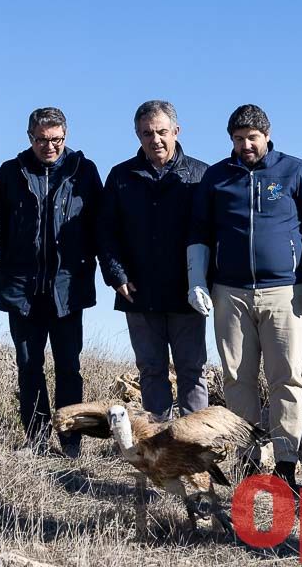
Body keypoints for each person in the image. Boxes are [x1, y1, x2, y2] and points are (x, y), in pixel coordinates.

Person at [188, 104, 302, 491]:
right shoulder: (216, 177)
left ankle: (286, 464)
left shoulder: (294, 170)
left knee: (287, 379)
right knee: (236, 379)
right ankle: (247, 461)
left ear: (267, 135)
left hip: (285, 291)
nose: (245, 145)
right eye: (238, 139)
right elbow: (199, 234)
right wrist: (197, 280)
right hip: (230, 292)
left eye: (252, 138)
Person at [0, 107, 102, 457]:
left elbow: (98, 224)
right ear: (29, 137)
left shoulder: (84, 171)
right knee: (29, 366)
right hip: (23, 288)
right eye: (42, 140)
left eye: (56, 140)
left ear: (65, 137)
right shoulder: (11, 172)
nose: (49, 146)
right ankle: (36, 441)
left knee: (69, 366)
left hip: (68, 289)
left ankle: (70, 442)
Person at [99, 100, 210, 420]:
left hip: (187, 292)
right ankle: (160, 447)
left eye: (162, 132)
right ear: (137, 134)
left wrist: (204, 281)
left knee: (192, 370)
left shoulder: (201, 175)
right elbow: (106, 232)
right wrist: (116, 275)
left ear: (177, 131)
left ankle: (195, 447)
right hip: (138, 291)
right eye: (147, 133)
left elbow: (212, 233)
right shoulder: (121, 177)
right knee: (150, 370)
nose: (155, 139)